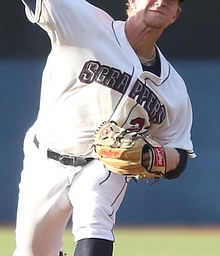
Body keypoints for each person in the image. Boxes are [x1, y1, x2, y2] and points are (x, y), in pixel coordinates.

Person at [14, 0, 195, 255]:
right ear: (131, 2)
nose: (162, 0)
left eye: (173, 0)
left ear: (175, 14)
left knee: (95, 221)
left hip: (103, 163)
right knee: (32, 251)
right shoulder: (85, 23)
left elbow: (180, 153)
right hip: (44, 156)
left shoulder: (173, 89)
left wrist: (153, 156)